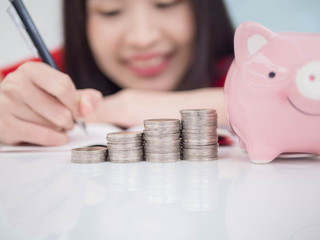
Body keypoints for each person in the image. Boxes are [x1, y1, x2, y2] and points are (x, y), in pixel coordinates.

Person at [0, 0, 234, 146]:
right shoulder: (54, 72)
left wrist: (130, 107)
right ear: (80, 18)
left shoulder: (255, 69)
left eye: (166, 4)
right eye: (110, 11)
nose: (143, 39)